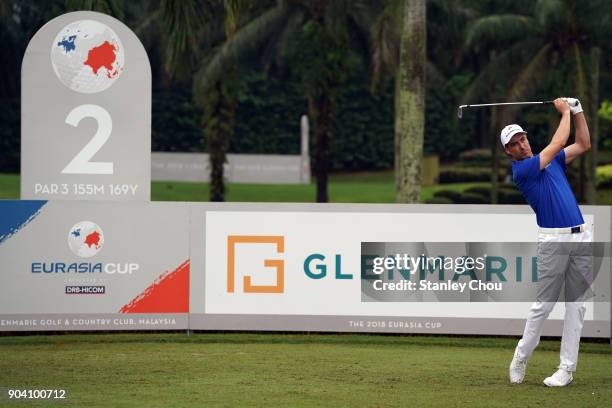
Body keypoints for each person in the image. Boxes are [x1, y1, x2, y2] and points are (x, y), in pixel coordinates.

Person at [501, 97, 593, 387]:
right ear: (509, 151)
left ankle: (566, 369)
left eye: (523, 138)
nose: (522, 144)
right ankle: (521, 356)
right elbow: (557, 141)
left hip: (581, 236)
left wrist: (577, 112)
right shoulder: (523, 171)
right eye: (515, 143)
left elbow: (583, 144)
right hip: (552, 241)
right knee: (544, 305)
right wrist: (564, 111)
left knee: (576, 306)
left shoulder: (552, 161)